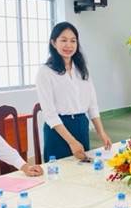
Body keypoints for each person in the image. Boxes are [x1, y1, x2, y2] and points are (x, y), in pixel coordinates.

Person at [36, 22, 111, 160]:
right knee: (59, 170)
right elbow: (49, 114)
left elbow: (92, 105)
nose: (68, 45)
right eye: (63, 40)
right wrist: (72, 142)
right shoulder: (45, 72)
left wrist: (101, 132)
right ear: (53, 43)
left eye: (73, 41)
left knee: (83, 169)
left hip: (81, 125)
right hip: (58, 130)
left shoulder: (82, 69)